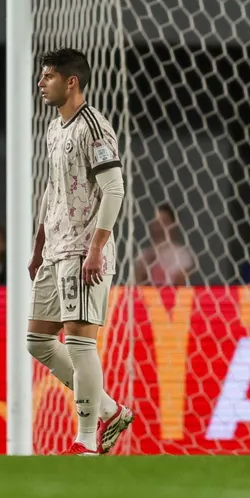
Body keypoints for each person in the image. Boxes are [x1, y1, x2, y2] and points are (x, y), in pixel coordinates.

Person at [27, 48, 134, 456]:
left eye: (48, 76)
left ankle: (86, 441)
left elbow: (114, 189)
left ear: (71, 81)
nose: (41, 83)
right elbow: (51, 191)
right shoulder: (55, 128)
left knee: (79, 342)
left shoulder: (94, 127)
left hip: (83, 252)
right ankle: (109, 409)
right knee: (37, 340)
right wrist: (38, 246)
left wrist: (96, 248)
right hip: (55, 250)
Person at [135, 204, 194, 286]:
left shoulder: (182, 254)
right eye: (156, 223)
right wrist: (149, 259)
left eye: (164, 222)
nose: (160, 227)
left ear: (173, 225)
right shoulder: (143, 254)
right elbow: (138, 285)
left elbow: (181, 285)